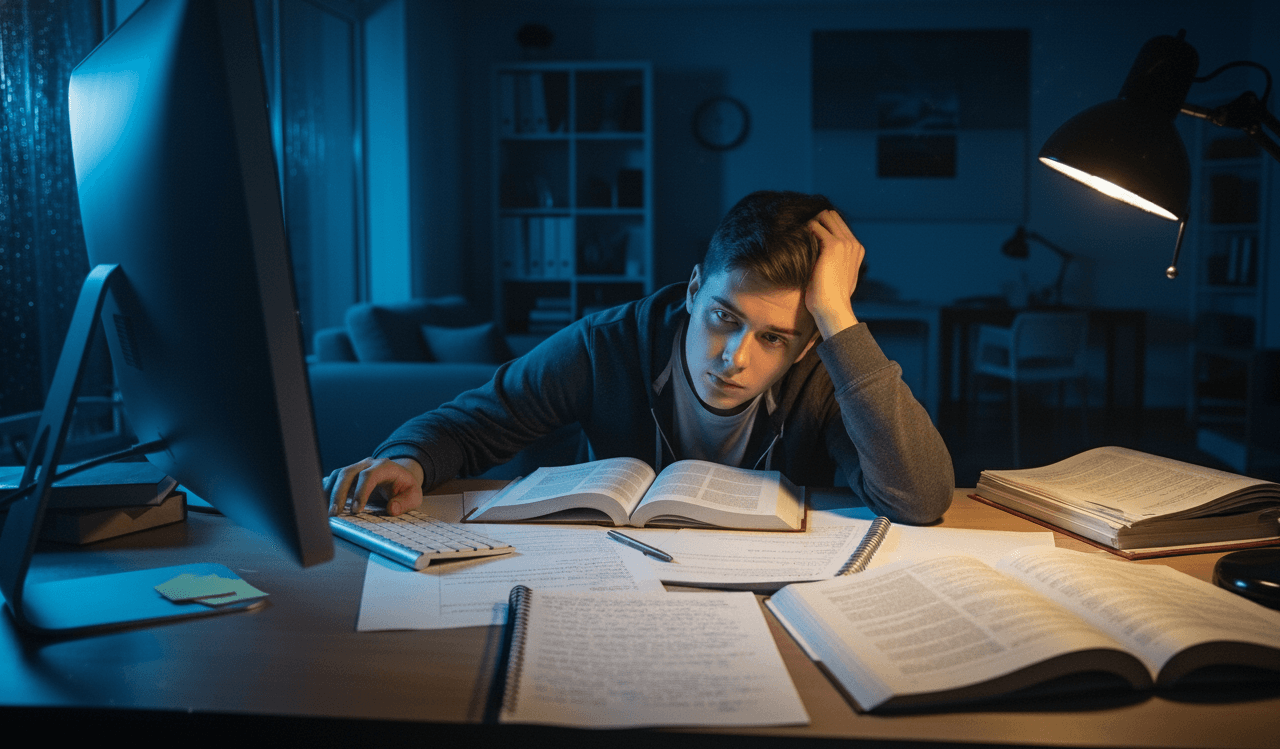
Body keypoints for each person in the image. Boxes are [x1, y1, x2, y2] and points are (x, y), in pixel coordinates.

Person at [325, 190, 954, 524]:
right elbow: (474, 420)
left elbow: (920, 499)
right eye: (723, 317)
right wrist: (406, 459)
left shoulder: (825, 370)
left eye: (773, 338)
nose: (734, 358)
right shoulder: (606, 343)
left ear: (809, 339)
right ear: (692, 287)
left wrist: (839, 321)